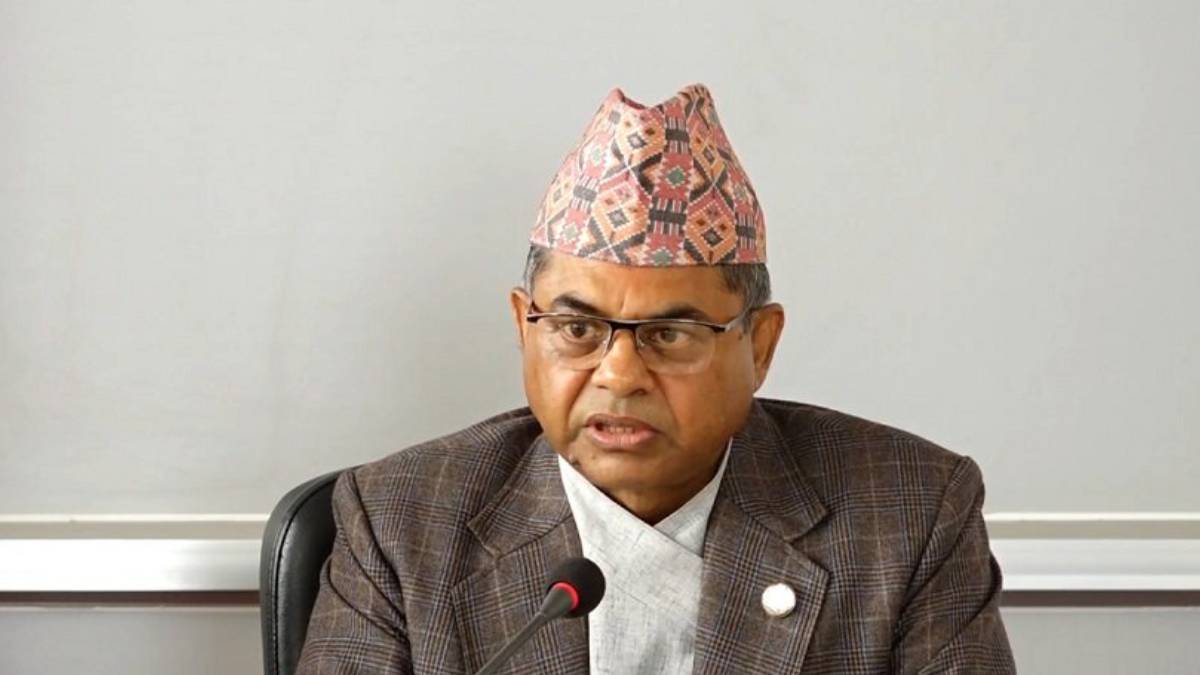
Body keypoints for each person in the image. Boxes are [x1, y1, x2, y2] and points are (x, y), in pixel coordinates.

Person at [297, 83, 1016, 674]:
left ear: (759, 344)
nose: (619, 373)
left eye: (668, 335)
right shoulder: (402, 521)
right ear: (525, 327)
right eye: (578, 329)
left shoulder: (909, 514)